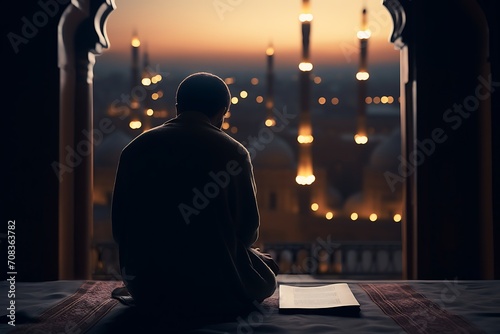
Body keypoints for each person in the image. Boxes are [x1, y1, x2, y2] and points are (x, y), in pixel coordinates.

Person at [111, 72, 279, 321]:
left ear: (177, 107)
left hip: (150, 287)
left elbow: (119, 229)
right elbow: (247, 232)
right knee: (266, 267)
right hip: (215, 286)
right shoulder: (233, 152)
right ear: (224, 110)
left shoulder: (135, 148)